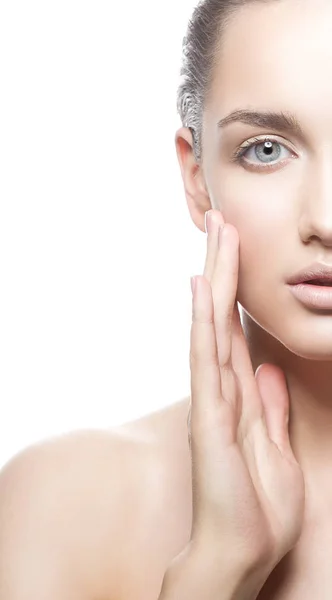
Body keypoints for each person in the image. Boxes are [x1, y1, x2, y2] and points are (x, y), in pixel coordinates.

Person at [1, 0, 332, 597]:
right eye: (266, 149)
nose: (326, 219)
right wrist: (217, 569)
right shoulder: (56, 506)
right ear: (198, 180)